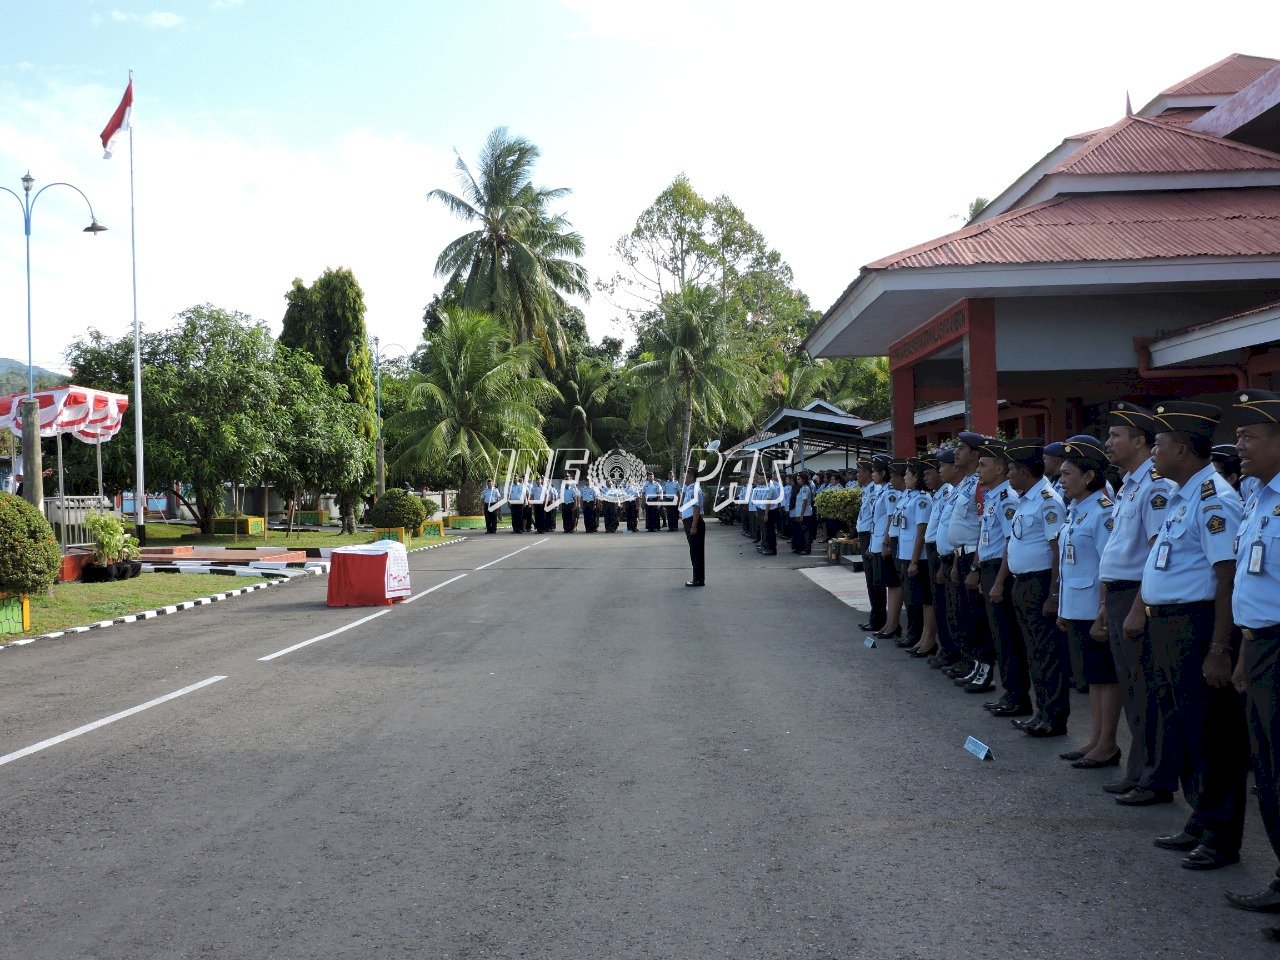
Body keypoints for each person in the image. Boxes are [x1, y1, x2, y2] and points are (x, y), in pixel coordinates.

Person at [1139, 400, 1248, 871]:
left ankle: (1221, 835)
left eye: (1158, 446)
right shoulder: (1184, 494)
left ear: (1182, 448)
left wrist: (1219, 647)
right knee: (1185, 727)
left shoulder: (1215, 499)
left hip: (1197, 626)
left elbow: (1227, 577)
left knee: (1212, 734)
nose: (1154, 455)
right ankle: (1200, 820)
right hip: (1169, 623)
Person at [1098, 402, 1180, 806]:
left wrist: (1136, 608)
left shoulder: (1157, 487)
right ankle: (1139, 772)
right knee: (1134, 690)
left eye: (1116, 436)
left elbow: (1154, 554)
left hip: (1136, 596)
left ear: (1140, 441)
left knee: (1147, 691)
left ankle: (1155, 779)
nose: (1109, 442)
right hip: (1119, 595)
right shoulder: (1132, 484)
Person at [1224, 389, 1280, 925]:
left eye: (1250, 436)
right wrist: (1243, 652)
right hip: (1259, 644)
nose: (1239, 445)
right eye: (1238, 436)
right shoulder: (1257, 497)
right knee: (1266, 769)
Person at [1055, 436, 1123, 768]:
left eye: (1068, 474)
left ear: (1088, 477)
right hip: (1078, 607)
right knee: (1094, 678)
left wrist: (1103, 611)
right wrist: (1065, 608)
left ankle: (1107, 744)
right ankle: (1095, 739)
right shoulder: (1076, 510)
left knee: (1106, 678)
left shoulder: (1102, 513)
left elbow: (1106, 568)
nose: (1061, 480)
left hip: (1095, 609)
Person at [1000, 438, 1070, 737]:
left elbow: (1056, 550)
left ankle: (1053, 717)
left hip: (1041, 584)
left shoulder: (1048, 499)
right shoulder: (1026, 499)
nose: (1008, 474)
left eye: (1012, 469)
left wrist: (1054, 594)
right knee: (1034, 651)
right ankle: (1041, 711)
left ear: (1026, 471)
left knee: (1047, 652)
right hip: (1022, 583)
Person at [969, 437, 1021, 699]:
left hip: (1002, 570)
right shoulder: (992, 496)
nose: (978, 470)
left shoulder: (1008, 499)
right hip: (989, 569)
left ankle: (1014, 694)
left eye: (983, 464)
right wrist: (978, 569)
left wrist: (999, 581)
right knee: (996, 632)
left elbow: (1010, 542)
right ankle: (1009, 692)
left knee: (1005, 635)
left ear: (999, 468)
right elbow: (986, 537)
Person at [948, 433, 997, 689]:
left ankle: (984, 669)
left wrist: (976, 567)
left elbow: (982, 531)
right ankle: (975, 663)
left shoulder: (980, 485)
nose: (956, 452)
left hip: (975, 557)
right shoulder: (966, 483)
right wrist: (958, 562)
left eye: (962, 448)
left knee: (979, 618)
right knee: (967, 616)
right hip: (962, 555)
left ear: (976, 454)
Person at [900, 458, 936, 657]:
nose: (905, 477)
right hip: (907, 553)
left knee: (925, 598)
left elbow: (921, 531)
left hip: (919, 557)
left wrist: (914, 560)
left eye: (908, 474)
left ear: (916, 479)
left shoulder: (923, 499)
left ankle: (928, 638)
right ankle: (923, 637)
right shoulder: (911, 496)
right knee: (918, 599)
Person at [926, 451, 958, 667]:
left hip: (952, 558)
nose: (938, 471)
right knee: (942, 606)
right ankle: (946, 650)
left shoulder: (950, 492)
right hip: (940, 555)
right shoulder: (949, 493)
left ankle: (952, 653)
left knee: (952, 610)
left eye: (941, 466)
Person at [854, 461, 883, 633]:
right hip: (865, 536)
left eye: (859, 472)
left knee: (874, 581)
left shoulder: (875, 490)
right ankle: (876, 618)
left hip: (871, 537)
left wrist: (871, 543)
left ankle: (878, 619)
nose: (857, 475)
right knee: (870, 581)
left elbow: (874, 519)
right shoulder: (868, 490)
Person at [681, 467, 705, 587]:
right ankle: (697, 578)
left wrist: (694, 526)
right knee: (694, 551)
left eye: (686, 475)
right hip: (689, 521)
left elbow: (696, 508)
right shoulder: (690, 488)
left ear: (691, 477)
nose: (684, 477)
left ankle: (698, 580)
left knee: (696, 552)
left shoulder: (694, 489)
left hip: (693, 522)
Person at [789, 473, 813, 556]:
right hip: (800, 513)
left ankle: (807, 549)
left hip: (805, 513)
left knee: (806, 532)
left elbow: (805, 502)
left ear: (803, 479)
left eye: (799, 479)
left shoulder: (805, 488)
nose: (797, 480)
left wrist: (802, 514)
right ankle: (802, 547)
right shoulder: (802, 488)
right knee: (802, 531)